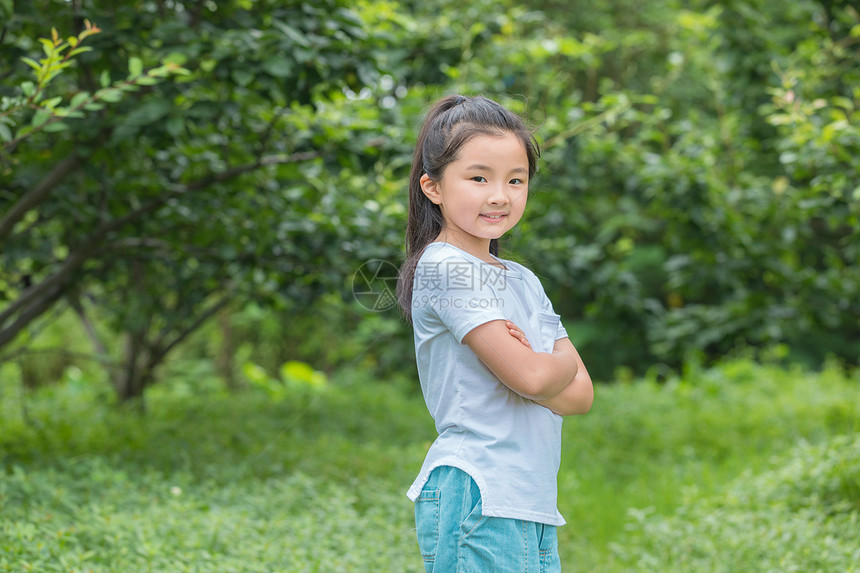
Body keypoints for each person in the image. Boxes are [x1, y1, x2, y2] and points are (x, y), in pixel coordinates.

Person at [396, 94, 594, 572]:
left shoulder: (521, 280)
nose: (499, 195)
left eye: (516, 180)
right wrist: (554, 362)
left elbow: (580, 397)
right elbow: (531, 378)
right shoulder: (445, 267)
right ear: (433, 186)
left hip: (529, 500)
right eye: (478, 177)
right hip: (478, 492)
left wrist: (542, 369)